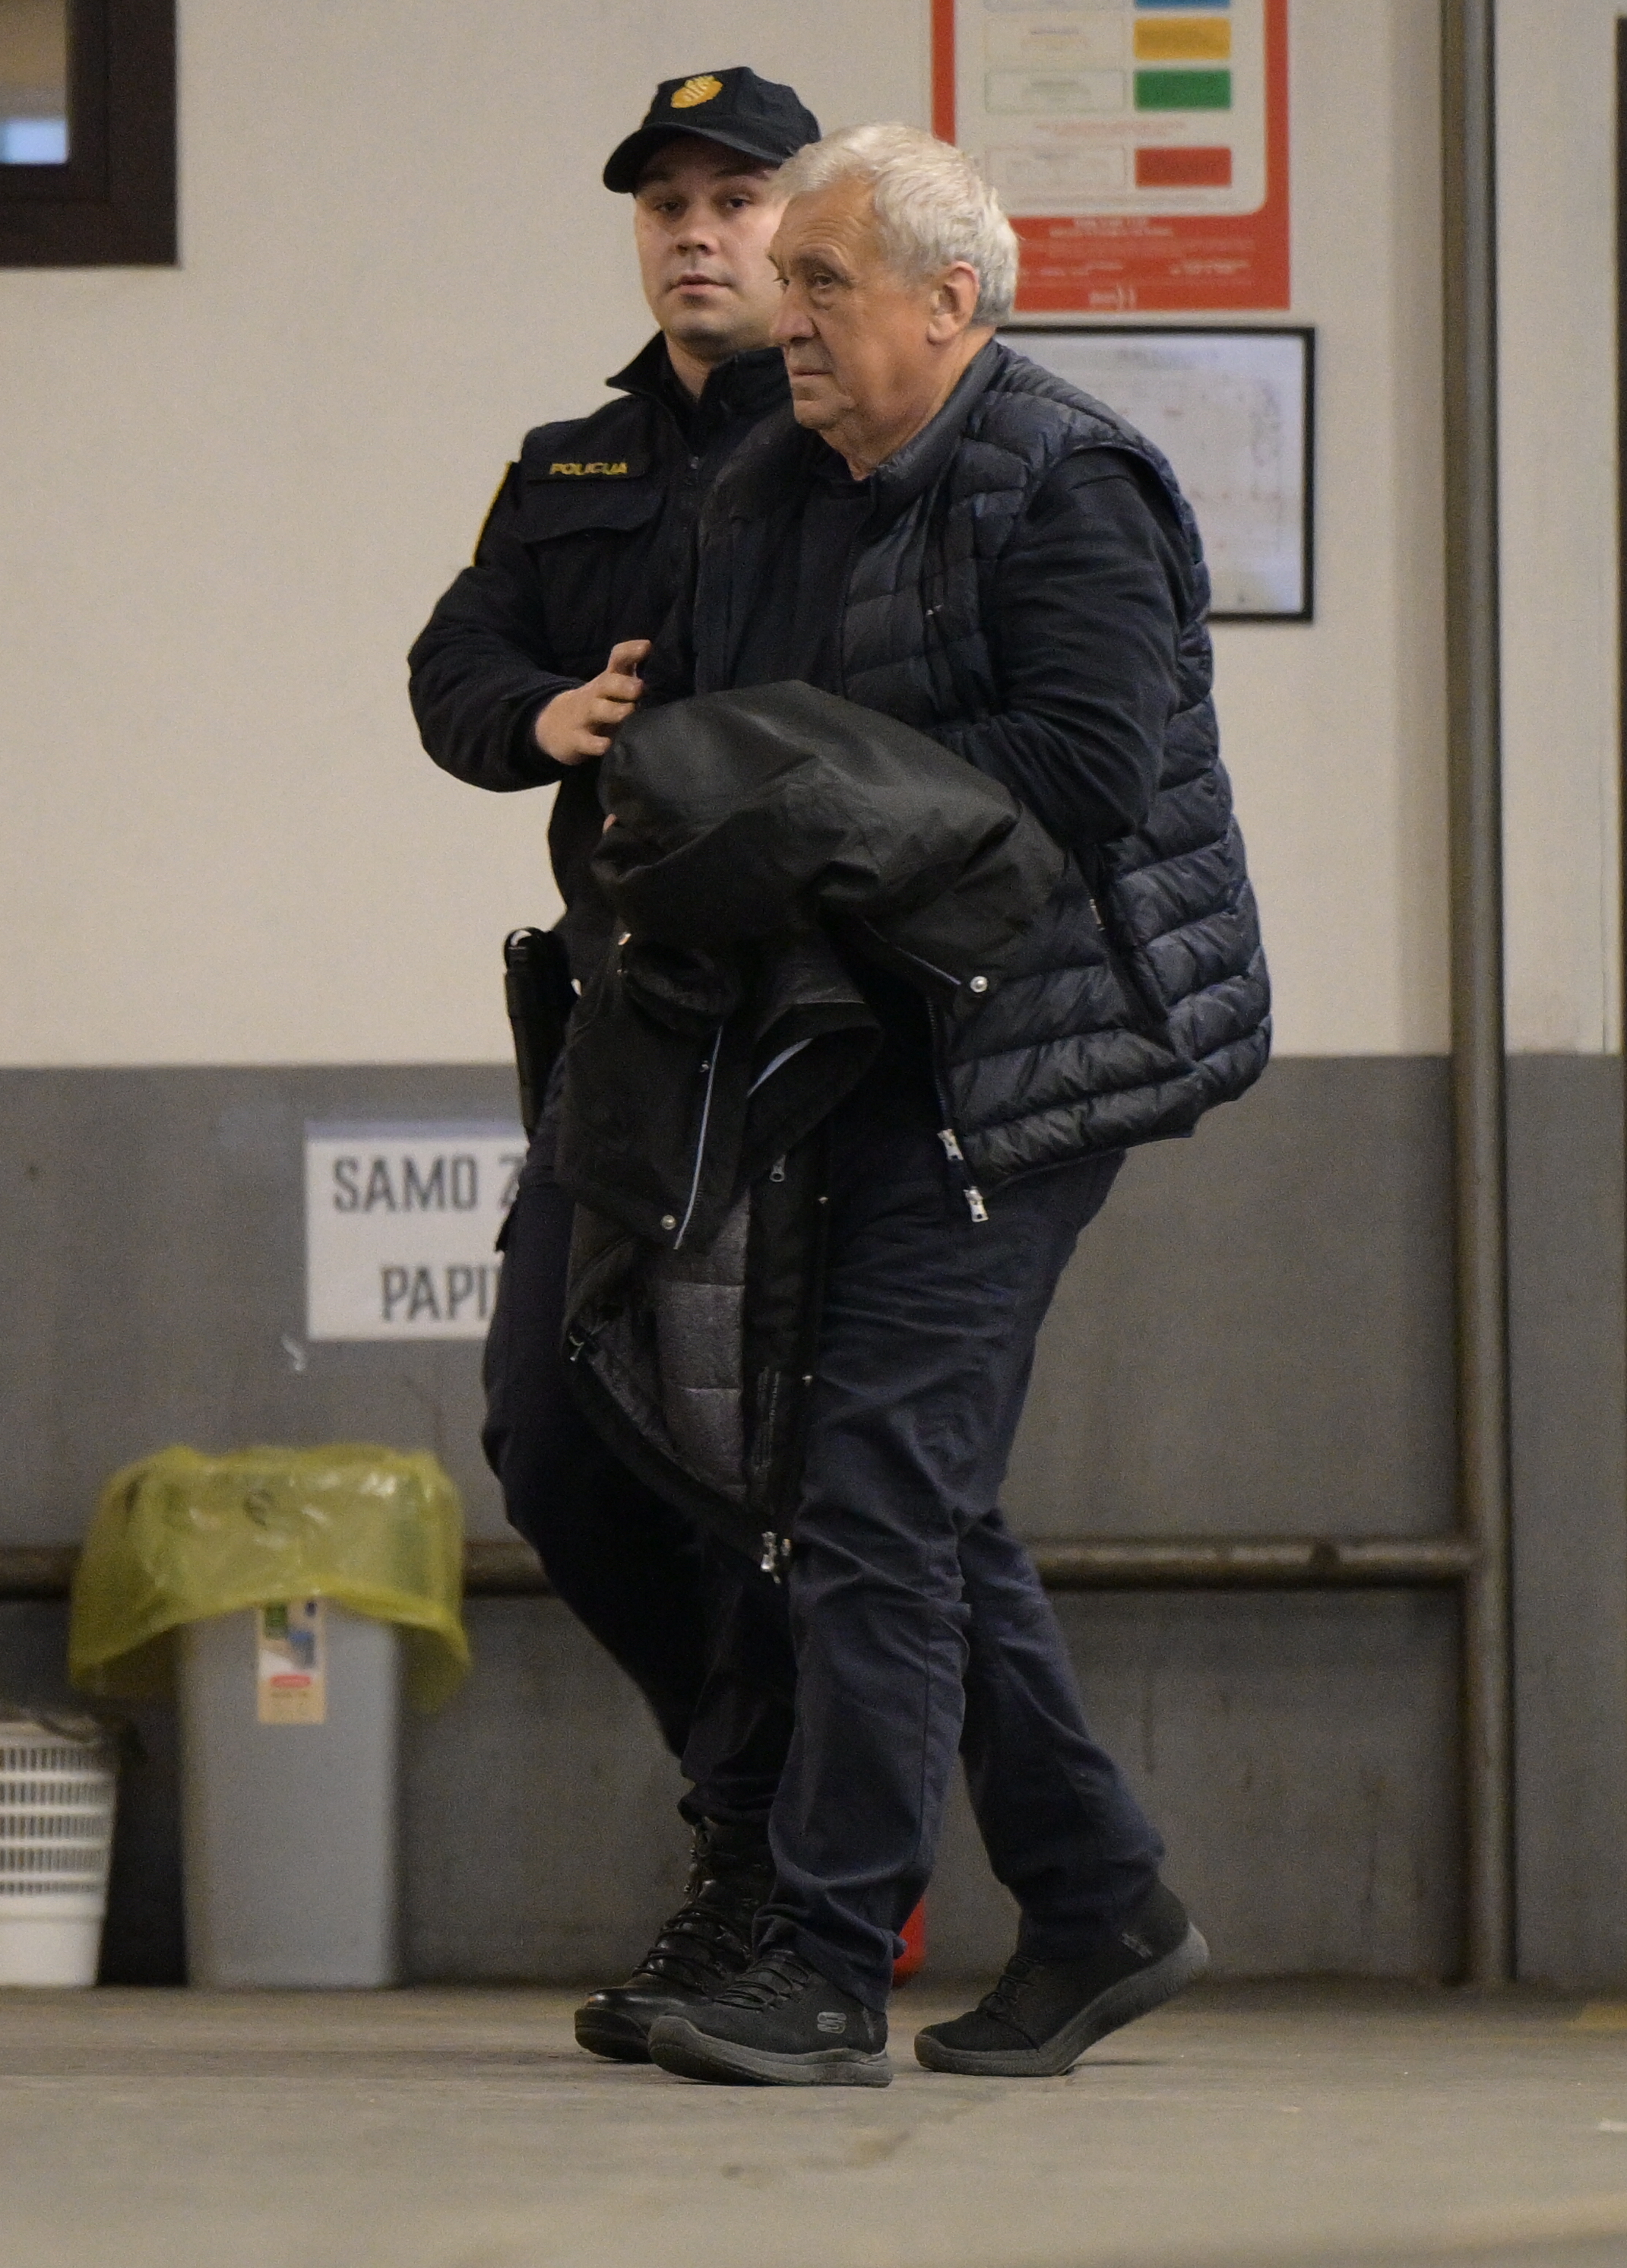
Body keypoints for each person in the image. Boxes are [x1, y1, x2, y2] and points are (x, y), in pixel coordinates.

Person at [628, 122, 1274, 2088]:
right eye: (789, 284)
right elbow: (708, 738)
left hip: (1036, 1055)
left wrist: (806, 770)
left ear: (952, 301)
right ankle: (1099, 1903)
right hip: (854, 1040)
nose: (788, 318)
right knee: (912, 1493)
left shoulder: (1071, 479)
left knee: (874, 1496)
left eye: (824, 283)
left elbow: (1086, 768)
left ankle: (830, 1965)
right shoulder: (768, 480)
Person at [403, 68, 822, 2064]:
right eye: (666, 202)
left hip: (812, 1035)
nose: (696, 231)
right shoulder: (570, 465)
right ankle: (750, 1796)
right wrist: (542, 717)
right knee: (555, 1432)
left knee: (789, 1472)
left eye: (736, 197)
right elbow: (451, 664)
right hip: (624, 1030)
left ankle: (785, 1870)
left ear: (805, 227)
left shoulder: (852, 446)